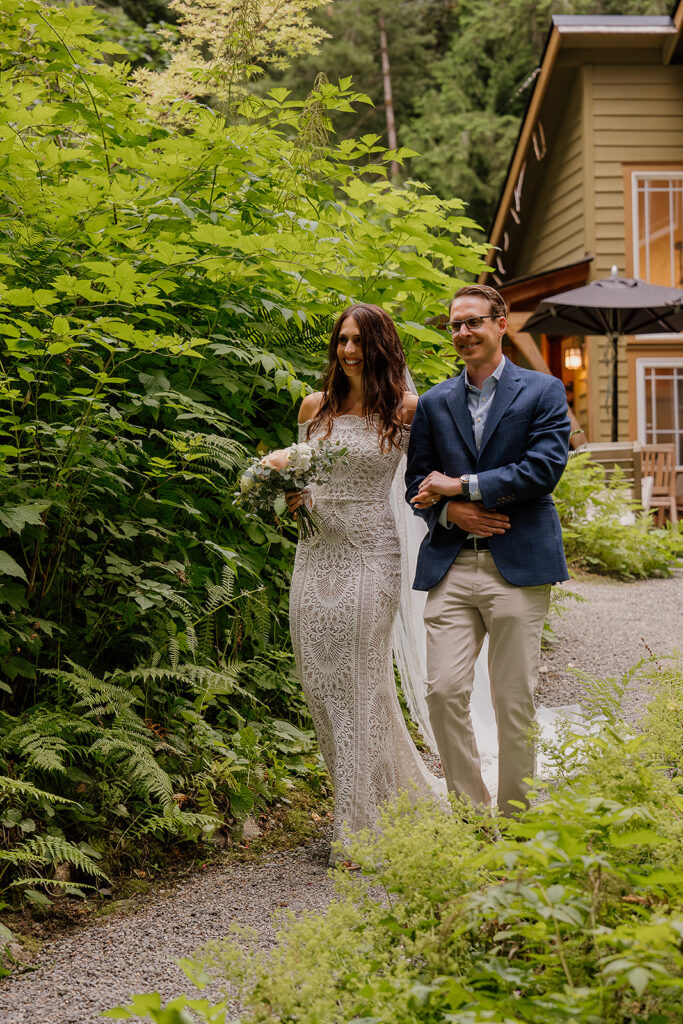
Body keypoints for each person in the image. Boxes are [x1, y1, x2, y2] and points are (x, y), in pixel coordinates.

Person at [405, 283, 571, 816]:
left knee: (512, 699)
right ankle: (472, 819)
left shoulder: (543, 391)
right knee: (443, 692)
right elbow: (418, 485)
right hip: (451, 566)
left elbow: (543, 469)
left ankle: (517, 822)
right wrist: (449, 510)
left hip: (518, 565)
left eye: (474, 322)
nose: (463, 333)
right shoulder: (432, 403)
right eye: (455, 324)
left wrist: (463, 486)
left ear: (501, 323)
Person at [287, 303, 443, 862]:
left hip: (371, 553)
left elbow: (424, 476)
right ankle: (370, 796)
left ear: (379, 346)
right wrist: (286, 496)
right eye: (342, 341)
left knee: (361, 681)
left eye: (359, 341)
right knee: (319, 682)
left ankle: (357, 825)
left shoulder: (405, 410)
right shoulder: (314, 406)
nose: (348, 351)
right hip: (315, 552)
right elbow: (302, 475)